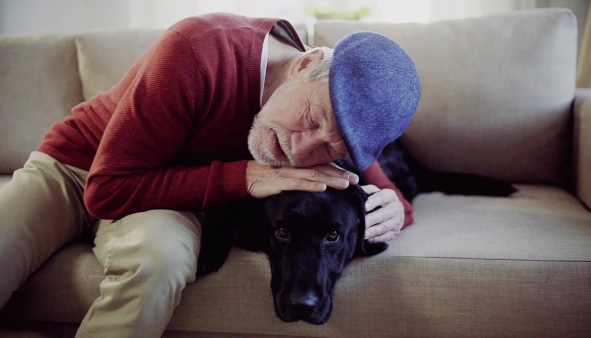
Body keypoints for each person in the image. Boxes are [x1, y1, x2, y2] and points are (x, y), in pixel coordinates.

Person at [0, 12, 420, 338]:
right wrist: (244, 178)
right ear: (305, 63)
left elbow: (388, 193)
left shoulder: (339, 116)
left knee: (160, 261)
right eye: (310, 118)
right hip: (77, 165)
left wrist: (393, 212)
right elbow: (105, 190)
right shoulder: (198, 49)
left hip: (164, 195)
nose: (302, 150)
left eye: (331, 149)